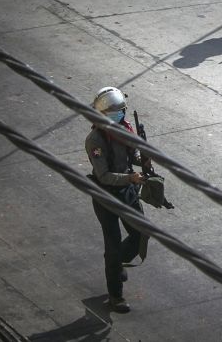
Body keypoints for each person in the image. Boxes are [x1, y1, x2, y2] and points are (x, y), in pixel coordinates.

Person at [85, 86, 151, 313]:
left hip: (128, 190)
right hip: (106, 196)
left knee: (141, 232)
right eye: (115, 112)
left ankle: (116, 263)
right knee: (112, 245)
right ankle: (115, 296)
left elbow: (133, 156)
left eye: (121, 111)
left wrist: (144, 158)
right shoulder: (95, 139)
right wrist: (131, 177)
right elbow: (104, 175)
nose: (120, 115)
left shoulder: (124, 130)